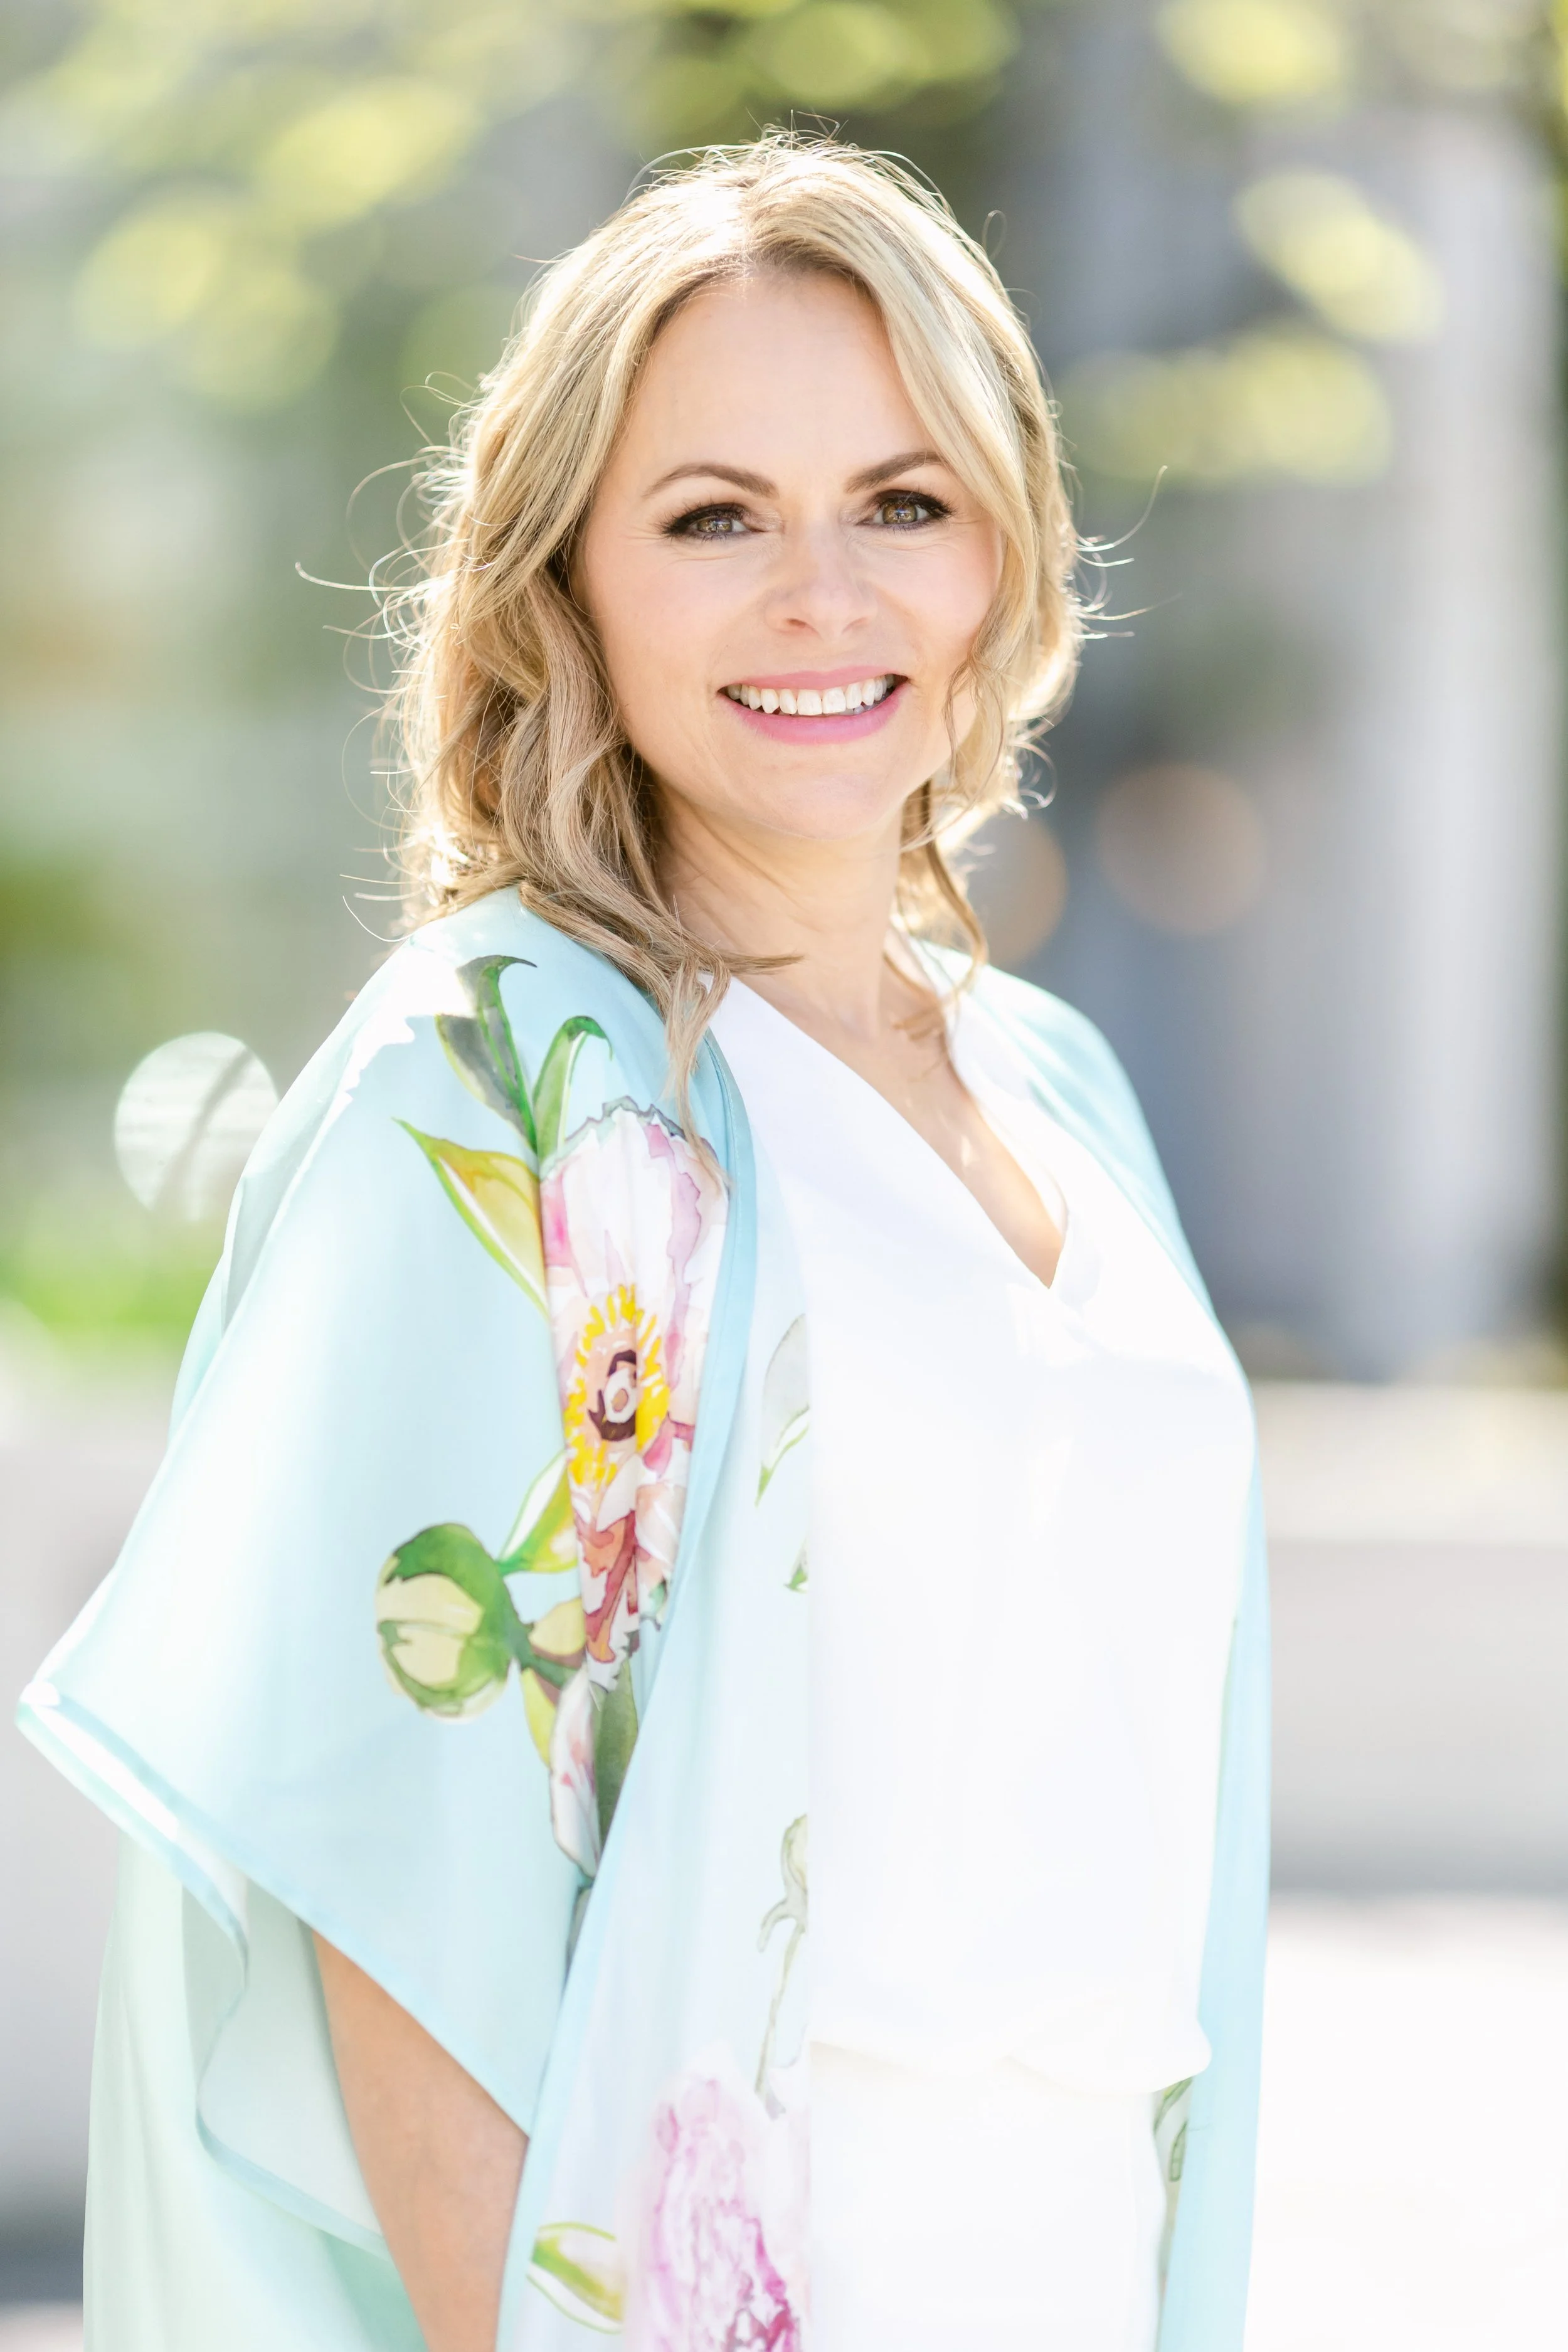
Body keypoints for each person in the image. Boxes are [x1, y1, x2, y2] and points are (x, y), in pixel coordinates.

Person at [20, 136, 1268, 2352]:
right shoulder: (502, 1086)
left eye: (903, 499)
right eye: (713, 517)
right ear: (565, 577)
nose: (824, 594)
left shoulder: (1059, 1083)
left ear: (1005, 542)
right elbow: (391, 1908)